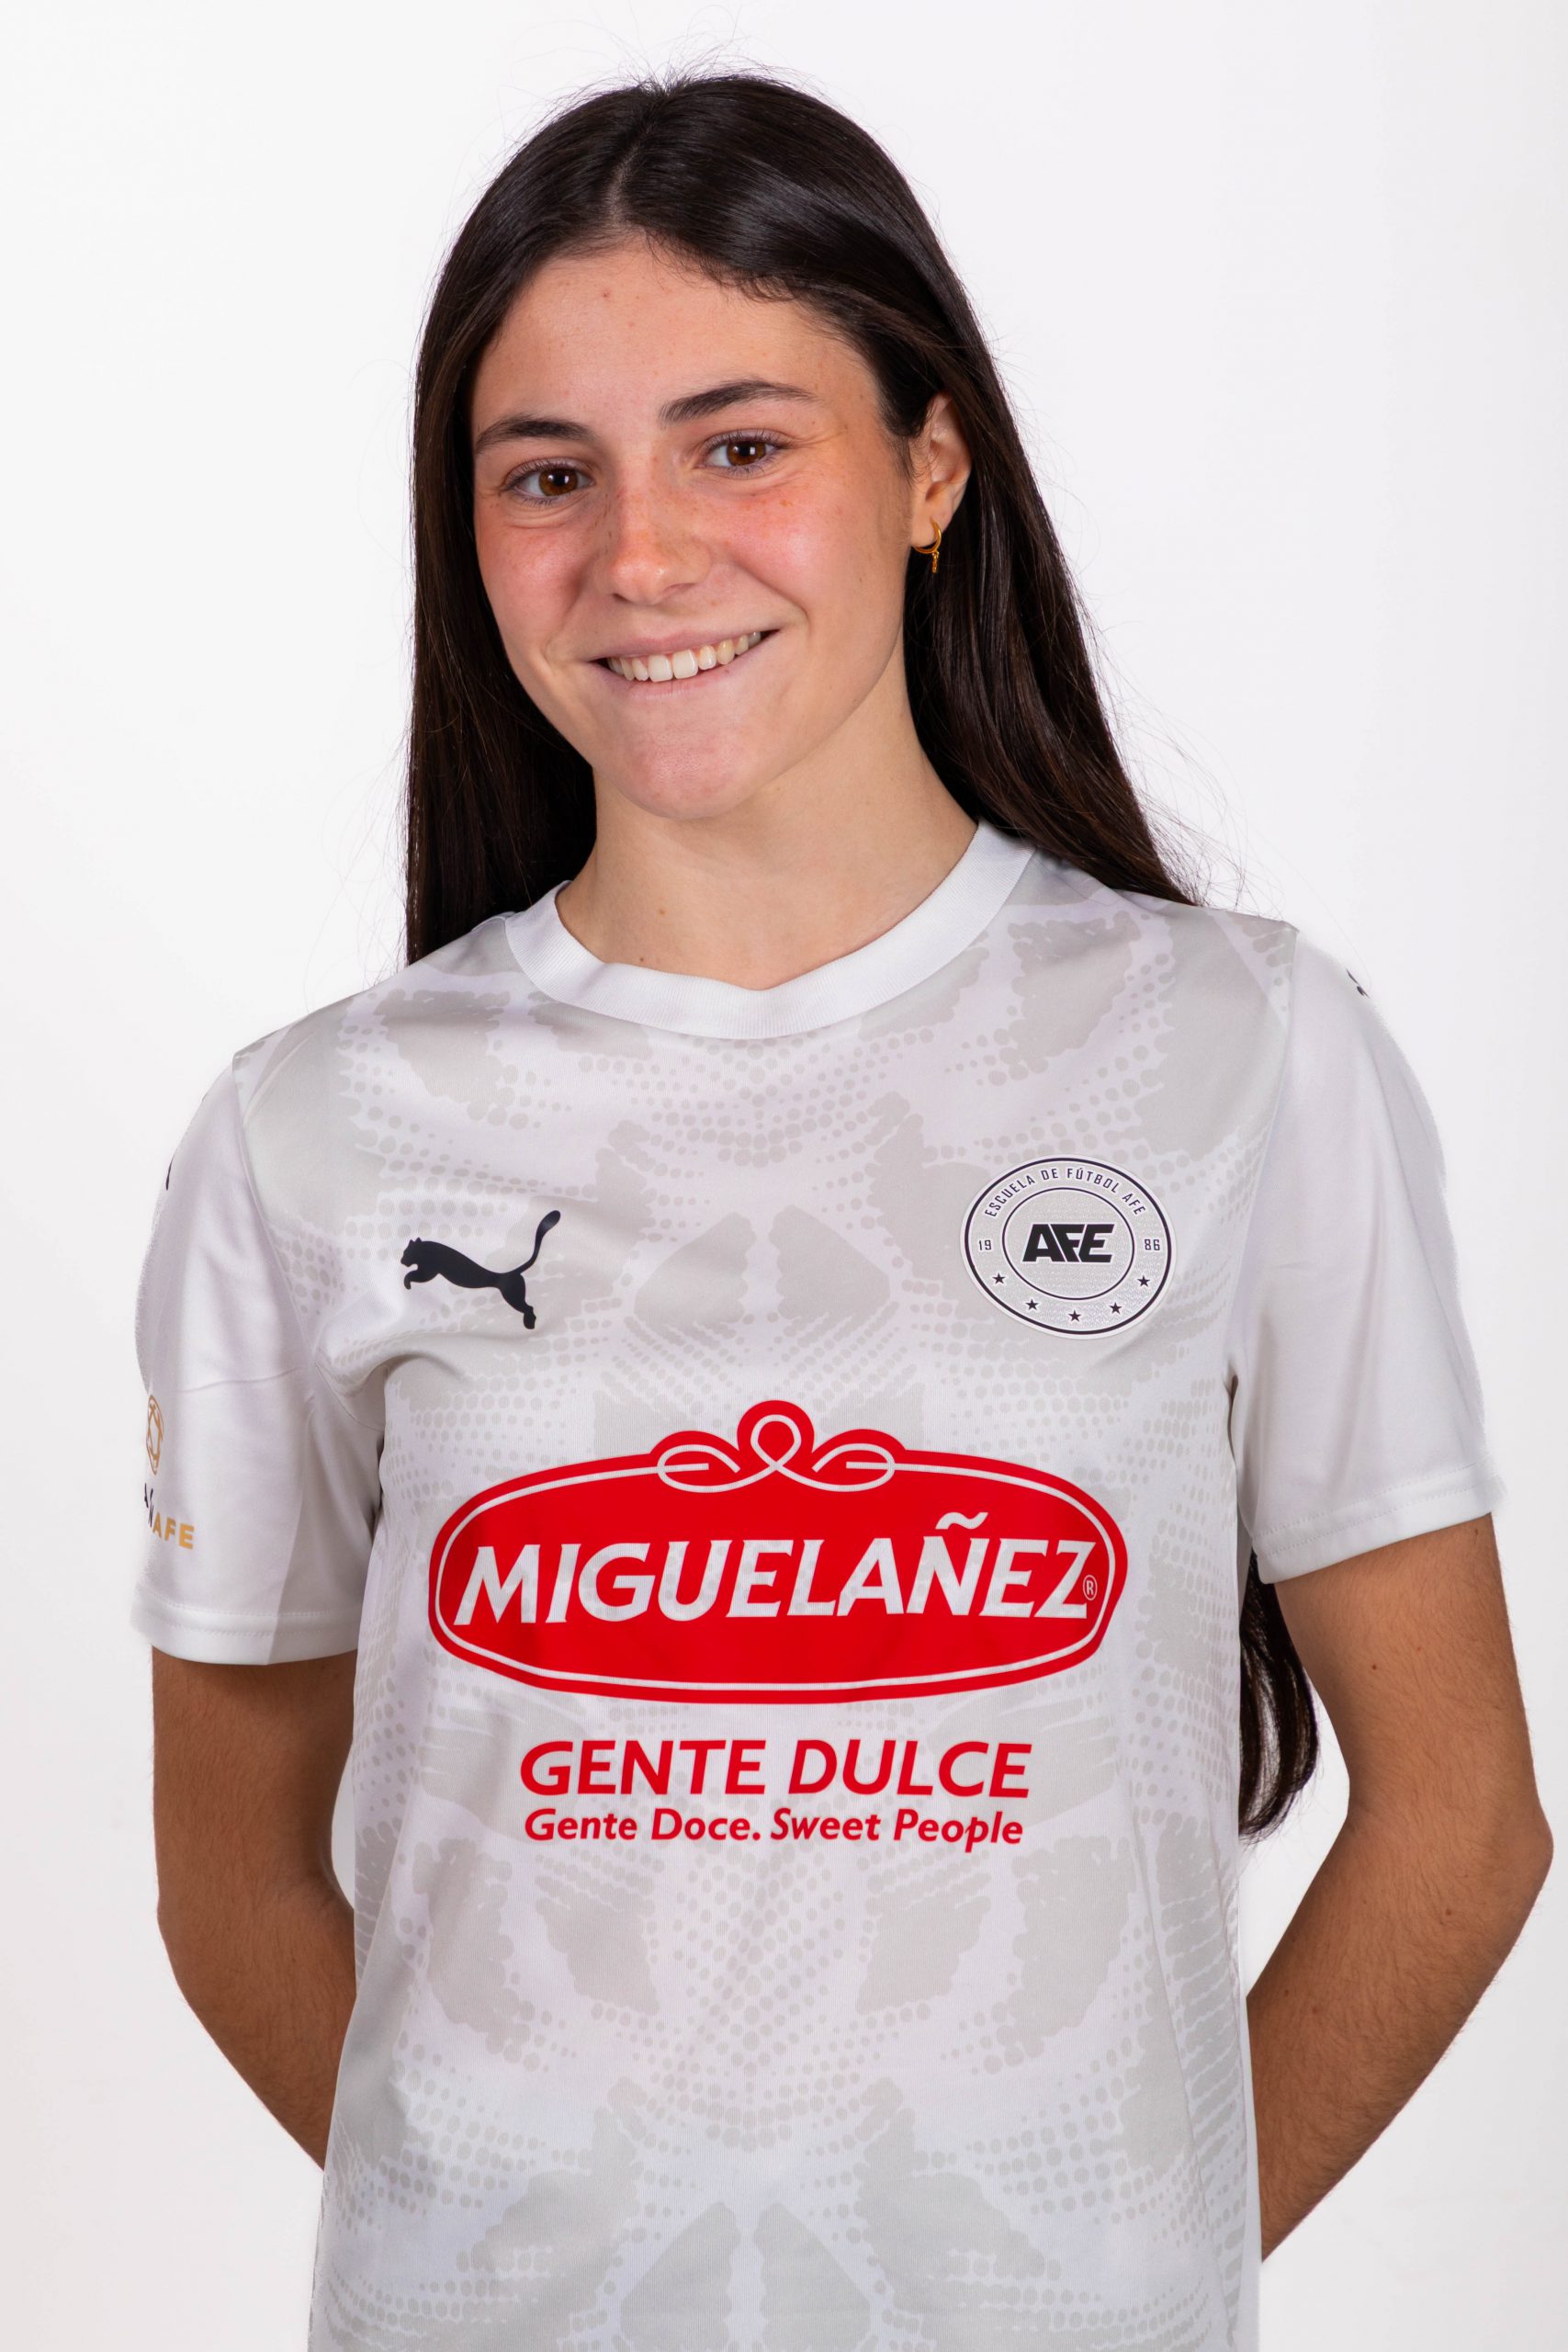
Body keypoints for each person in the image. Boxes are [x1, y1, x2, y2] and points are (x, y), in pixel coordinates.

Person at [131, 68, 1551, 2352]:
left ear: (928, 465)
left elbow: (1461, 1818)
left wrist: (1111, 2281)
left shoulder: (1236, 1052)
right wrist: (516, 2267)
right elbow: (230, 1880)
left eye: (738, 444)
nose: (641, 554)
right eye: (546, 474)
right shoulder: (315, 1131)